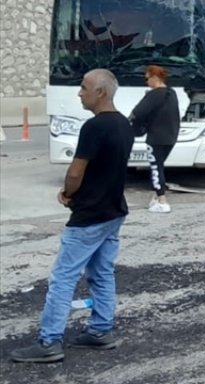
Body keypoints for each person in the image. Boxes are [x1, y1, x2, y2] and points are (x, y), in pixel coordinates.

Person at [10, 70, 131, 363]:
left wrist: (67, 193)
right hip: (113, 210)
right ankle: (101, 330)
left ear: (100, 92)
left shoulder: (95, 126)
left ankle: (49, 341)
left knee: (63, 278)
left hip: (89, 215)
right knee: (102, 273)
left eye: (84, 87)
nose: (80, 93)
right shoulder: (124, 124)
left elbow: (76, 170)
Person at [129, 65, 179, 213]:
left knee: (156, 169)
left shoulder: (153, 95)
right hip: (171, 136)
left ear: (154, 78)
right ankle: (155, 198)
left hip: (155, 138)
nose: (146, 82)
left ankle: (162, 200)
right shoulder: (172, 93)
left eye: (147, 78)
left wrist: (126, 122)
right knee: (159, 166)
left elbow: (137, 112)